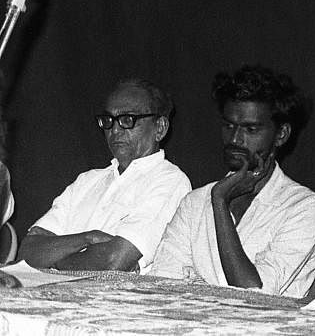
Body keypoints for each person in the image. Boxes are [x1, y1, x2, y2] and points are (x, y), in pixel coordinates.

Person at [149, 66, 315, 297]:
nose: (235, 139)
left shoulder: (305, 207)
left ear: (281, 134)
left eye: (251, 129)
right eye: (228, 126)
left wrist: (220, 203)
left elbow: (254, 293)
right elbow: (161, 285)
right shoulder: (194, 203)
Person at [19, 78, 191, 271]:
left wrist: (55, 261)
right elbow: (27, 251)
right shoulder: (88, 180)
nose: (115, 130)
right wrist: (88, 238)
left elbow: (114, 261)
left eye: (127, 120)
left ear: (159, 128)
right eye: (108, 121)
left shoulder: (169, 181)